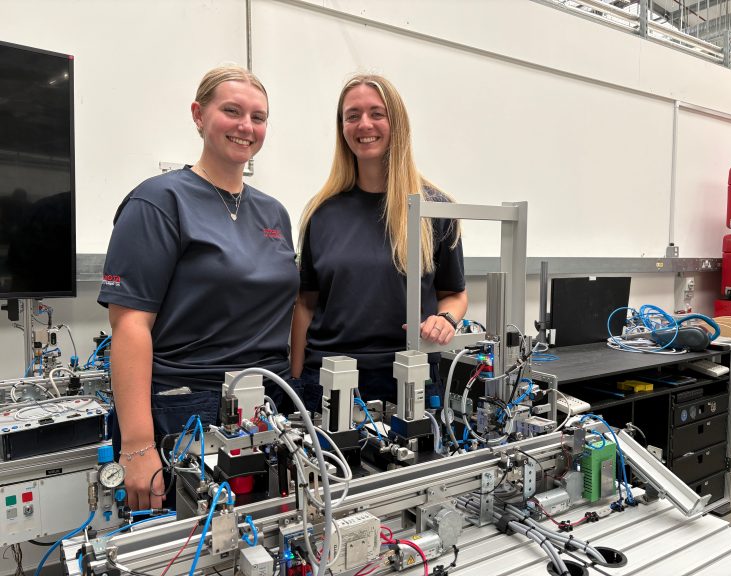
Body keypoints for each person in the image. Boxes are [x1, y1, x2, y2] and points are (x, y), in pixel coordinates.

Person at [98, 66, 299, 510]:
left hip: (271, 406)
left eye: (258, 117)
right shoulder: (158, 202)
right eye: (232, 111)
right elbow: (130, 324)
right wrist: (136, 446)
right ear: (199, 115)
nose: (246, 126)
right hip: (186, 413)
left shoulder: (274, 213)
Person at [291, 74, 467, 410]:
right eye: (352, 115)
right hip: (327, 381)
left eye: (377, 113)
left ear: (397, 123)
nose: (364, 124)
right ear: (342, 128)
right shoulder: (321, 213)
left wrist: (445, 320)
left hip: (410, 378)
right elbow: (305, 304)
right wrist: (296, 382)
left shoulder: (435, 209)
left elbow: (454, 294)